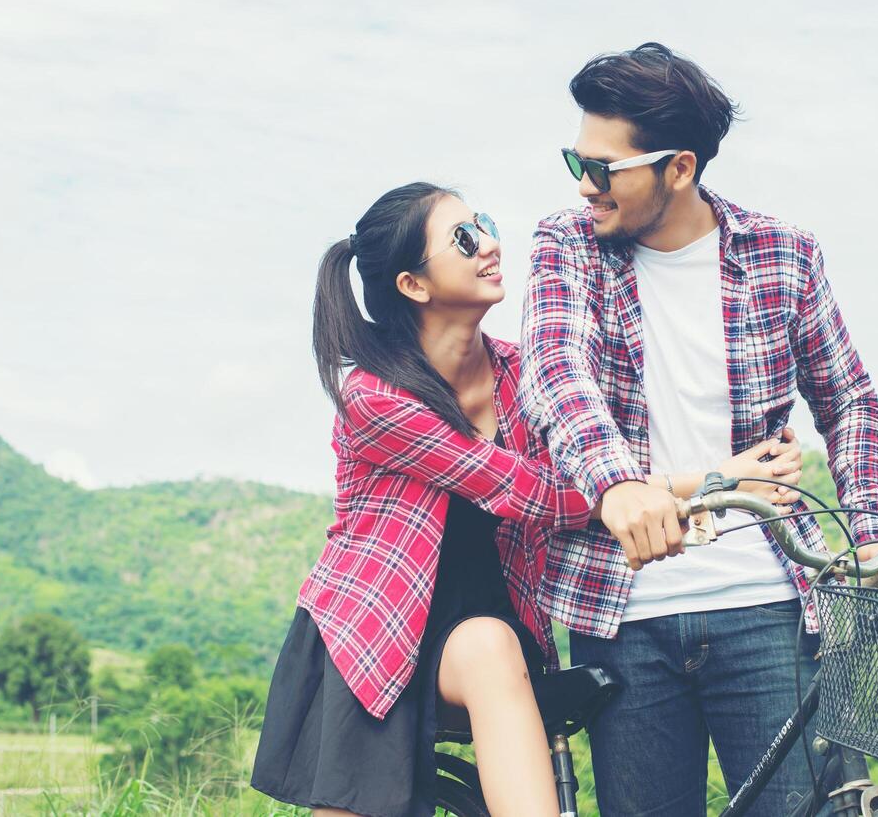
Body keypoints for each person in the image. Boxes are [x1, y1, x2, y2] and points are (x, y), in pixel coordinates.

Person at [251, 181, 803, 817]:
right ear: (413, 285)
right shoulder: (374, 397)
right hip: (378, 631)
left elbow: (598, 465)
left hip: (489, 634)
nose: (490, 244)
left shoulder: (522, 373)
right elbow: (528, 492)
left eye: (482, 223)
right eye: (463, 237)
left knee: (490, 645)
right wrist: (714, 483)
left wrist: (707, 485)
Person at [520, 43, 878, 816]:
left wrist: (872, 526)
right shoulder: (565, 246)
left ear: (679, 167)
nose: (583, 183)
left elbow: (848, 401)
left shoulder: (783, 254)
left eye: (604, 168)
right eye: (576, 158)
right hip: (622, 609)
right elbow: (555, 372)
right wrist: (618, 486)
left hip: (768, 605)